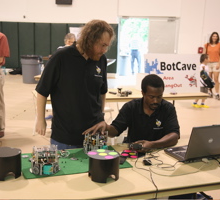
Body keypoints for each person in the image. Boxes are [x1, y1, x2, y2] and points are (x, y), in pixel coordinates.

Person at [35, 20, 115, 150]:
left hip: (94, 134)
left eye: (107, 46)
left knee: (97, 170)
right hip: (66, 136)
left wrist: (101, 117)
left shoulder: (101, 60)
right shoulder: (61, 57)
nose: (104, 50)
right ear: (90, 40)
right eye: (102, 45)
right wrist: (40, 120)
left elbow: (102, 92)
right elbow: (42, 91)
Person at [83, 74, 180, 152]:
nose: (156, 101)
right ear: (143, 93)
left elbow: (174, 136)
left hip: (159, 151)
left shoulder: (168, 108)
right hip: (134, 152)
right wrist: (106, 127)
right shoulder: (131, 107)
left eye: (159, 97)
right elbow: (115, 130)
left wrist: (152, 145)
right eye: (151, 97)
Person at [45, 33, 77, 120]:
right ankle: (54, 114)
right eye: (70, 42)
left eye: (73, 42)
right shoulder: (61, 50)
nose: (71, 44)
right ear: (66, 41)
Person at [204, 32, 220, 100]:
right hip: (208, 63)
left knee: (216, 78)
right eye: (213, 36)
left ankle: (217, 93)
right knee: (209, 79)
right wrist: (204, 64)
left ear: (217, 37)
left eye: (216, 36)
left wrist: (219, 63)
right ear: (211, 37)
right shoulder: (207, 45)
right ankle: (210, 92)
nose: (215, 37)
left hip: (216, 63)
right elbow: (204, 54)